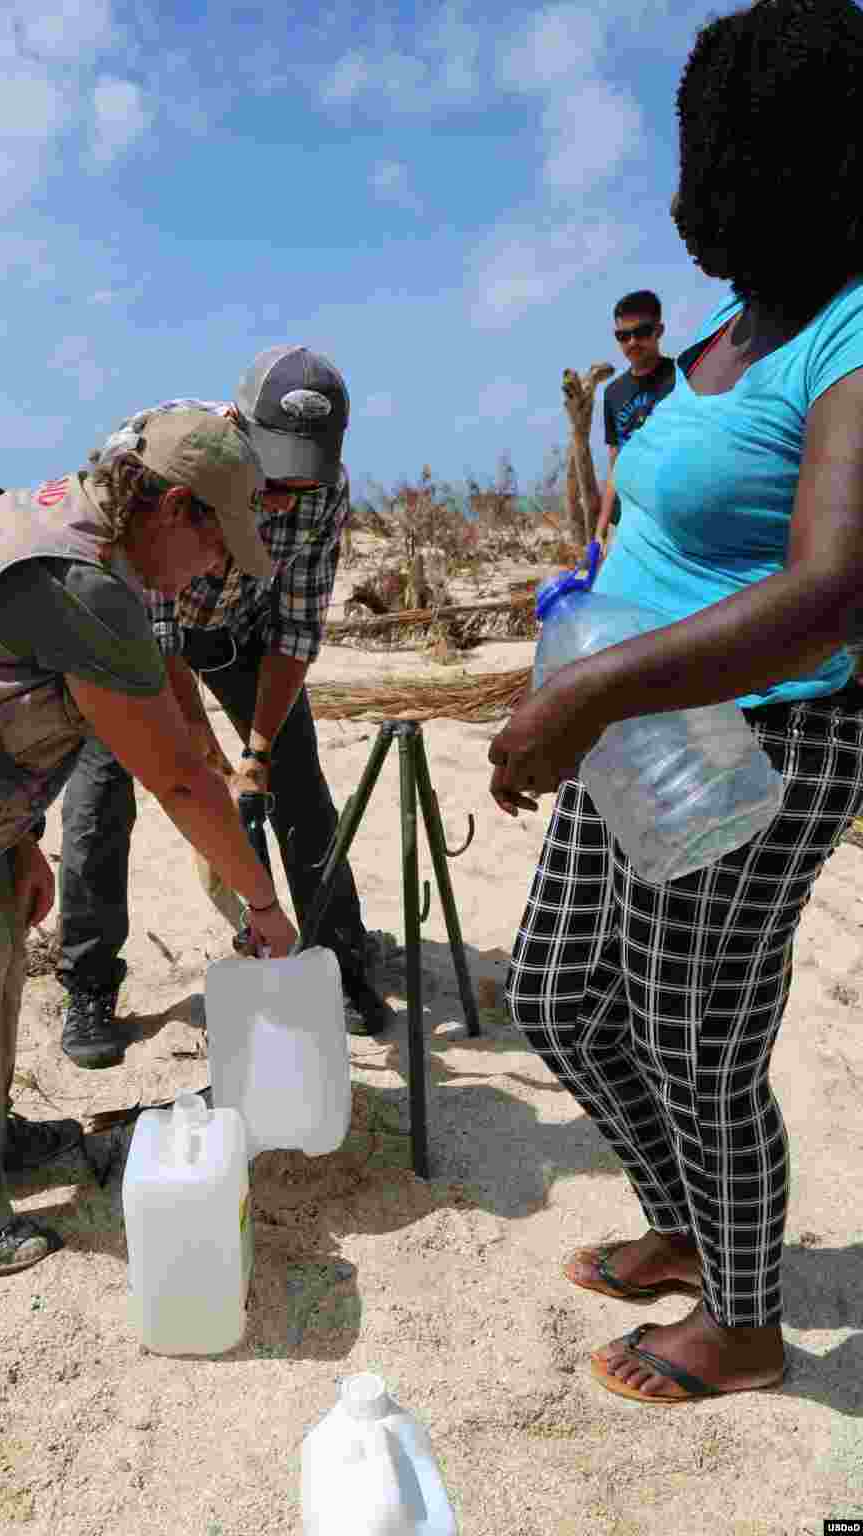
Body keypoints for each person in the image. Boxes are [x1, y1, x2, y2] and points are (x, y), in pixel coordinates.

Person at [490, 0, 863, 1405]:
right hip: (634, 721)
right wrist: (582, 649)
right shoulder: (731, 318)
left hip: (761, 739)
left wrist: (589, 687)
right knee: (561, 996)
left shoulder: (850, 328)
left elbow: (833, 591)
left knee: (696, 1038)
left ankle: (747, 1319)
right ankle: (684, 1221)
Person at [0, 408, 297, 1277]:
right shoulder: (81, 588)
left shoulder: (91, 528)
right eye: (218, 545)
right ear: (171, 509)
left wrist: (15, 843)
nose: (217, 569)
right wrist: (264, 906)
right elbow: (181, 782)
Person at [56, 348, 390, 1070]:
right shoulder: (155, 455)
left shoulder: (324, 493)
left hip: (244, 633)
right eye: (274, 473)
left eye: (305, 472)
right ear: (238, 424)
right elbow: (153, 629)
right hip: (128, 635)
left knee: (299, 787)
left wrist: (258, 751)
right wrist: (205, 759)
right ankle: (88, 982)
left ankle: (339, 961)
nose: (285, 491)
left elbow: (297, 631)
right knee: (103, 797)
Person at [593, 291, 675, 550]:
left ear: (659, 330)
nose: (632, 342)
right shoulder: (612, 393)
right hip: (626, 520)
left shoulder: (683, 378)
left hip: (671, 515)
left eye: (641, 332)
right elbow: (615, 461)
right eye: (623, 336)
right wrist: (602, 527)